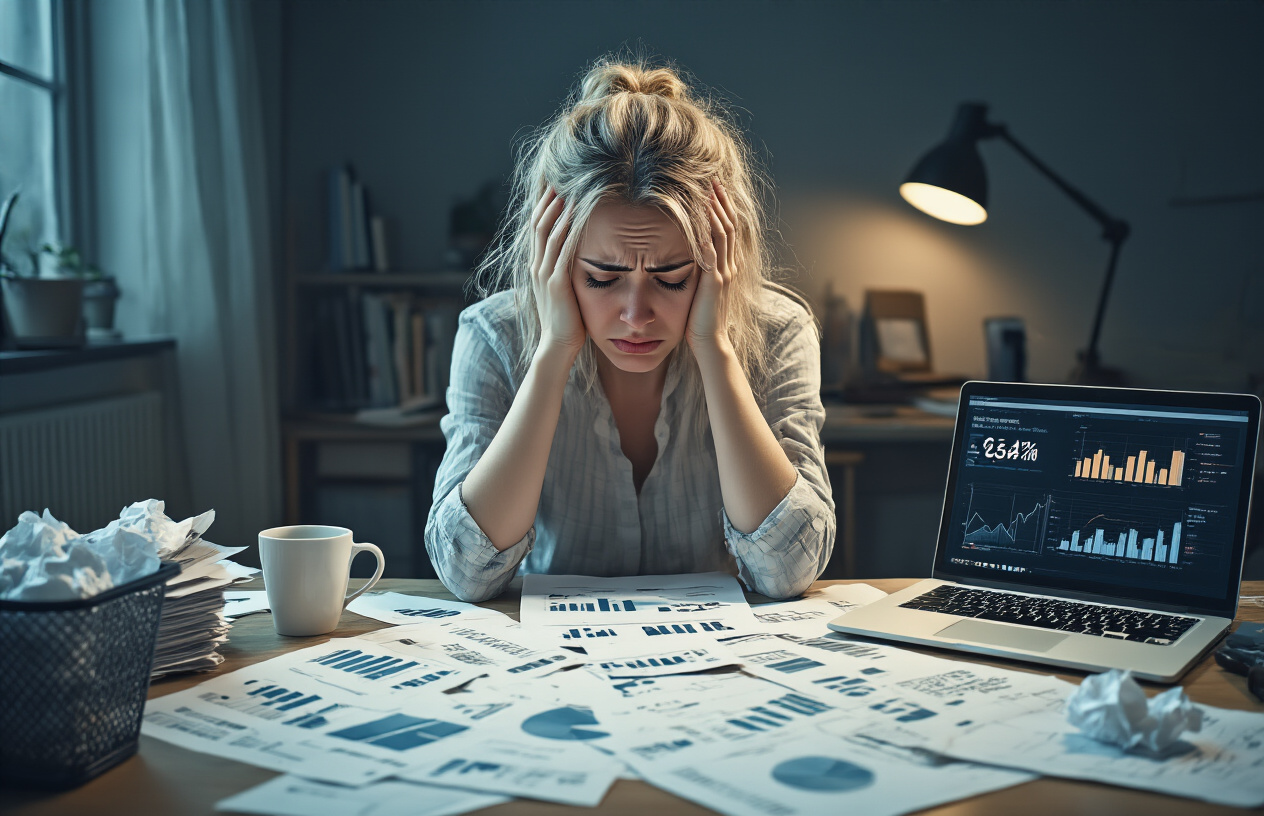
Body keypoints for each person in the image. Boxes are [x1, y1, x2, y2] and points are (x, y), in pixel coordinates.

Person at [425, 55, 835, 602]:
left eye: (671, 278)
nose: (636, 315)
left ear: (719, 259)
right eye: (601, 279)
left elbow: (788, 571)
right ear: (554, 259)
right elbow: (466, 573)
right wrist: (553, 352)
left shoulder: (779, 332)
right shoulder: (493, 336)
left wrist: (714, 348)